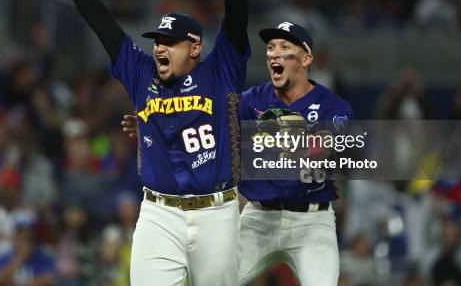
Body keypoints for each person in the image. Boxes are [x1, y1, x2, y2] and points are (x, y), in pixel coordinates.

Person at [29, 0, 250, 286]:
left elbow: (237, 18)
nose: (160, 48)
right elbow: (103, 25)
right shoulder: (141, 73)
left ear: (195, 47)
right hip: (158, 214)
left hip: (217, 214)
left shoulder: (219, 71)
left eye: (170, 43)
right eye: (157, 42)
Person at [123, 21, 352, 285]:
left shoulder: (332, 104)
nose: (274, 53)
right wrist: (156, 128)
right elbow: (204, 125)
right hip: (258, 218)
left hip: (312, 222)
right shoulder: (250, 101)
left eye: (285, 47)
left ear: (306, 58)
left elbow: (326, 143)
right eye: (270, 47)